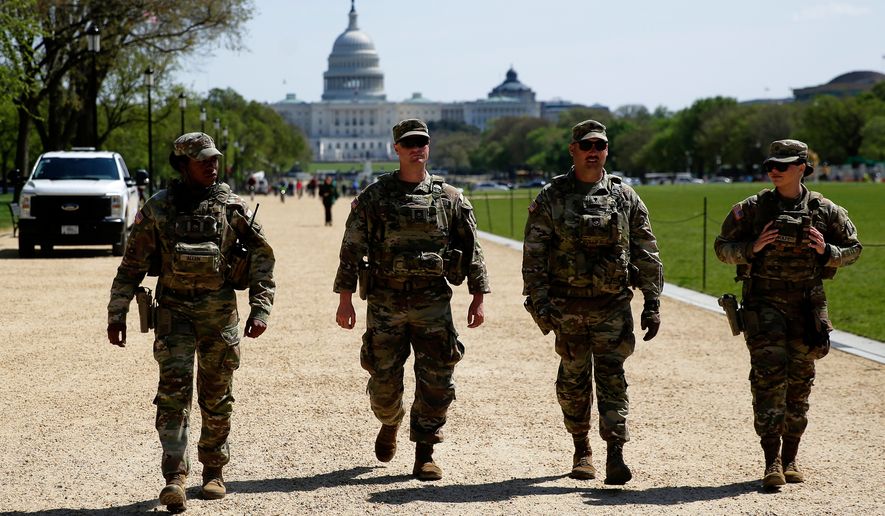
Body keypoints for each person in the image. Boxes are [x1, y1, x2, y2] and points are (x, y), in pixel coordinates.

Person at [106, 132, 275, 512]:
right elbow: (132, 265)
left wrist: (260, 308)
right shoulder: (158, 208)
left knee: (217, 397)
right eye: (203, 161)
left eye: (214, 159)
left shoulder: (232, 207)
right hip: (174, 315)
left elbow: (263, 258)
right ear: (183, 165)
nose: (212, 166)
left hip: (219, 316)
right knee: (172, 397)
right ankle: (175, 477)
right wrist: (116, 313)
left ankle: (213, 470)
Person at [334, 118, 490, 481]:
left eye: (422, 142)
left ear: (428, 147)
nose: (417, 148)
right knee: (384, 381)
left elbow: (473, 251)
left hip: (433, 303)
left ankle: (425, 451)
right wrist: (345, 300)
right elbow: (351, 250)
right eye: (409, 144)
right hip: (386, 303)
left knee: (437, 379)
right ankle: (390, 421)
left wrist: (478, 297)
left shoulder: (450, 198)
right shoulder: (375, 197)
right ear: (397, 150)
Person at [714, 139, 861, 489]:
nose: (774, 171)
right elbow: (722, 248)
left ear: (802, 167)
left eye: (782, 165)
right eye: (770, 166)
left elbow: (854, 248)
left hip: (807, 308)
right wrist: (753, 247)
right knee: (767, 384)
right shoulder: (751, 209)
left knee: (799, 385)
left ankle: (792, 456)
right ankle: (772, 461)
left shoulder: (825, 210)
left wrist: (828, 251)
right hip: (763, 307)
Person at [522, 120, 663, 485]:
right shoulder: (552, 196)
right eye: (586, 145)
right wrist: (538, 302)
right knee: (573, 380)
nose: (593, 151)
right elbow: (534, 255)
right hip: (567, 308)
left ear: (606, 151)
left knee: (613, 378)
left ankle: (616, 450)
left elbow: (646, 251)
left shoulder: (624, 196)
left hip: (612, 306)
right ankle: (581, 447)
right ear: (573, 149)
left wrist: (652, 301)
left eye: (599, 145)